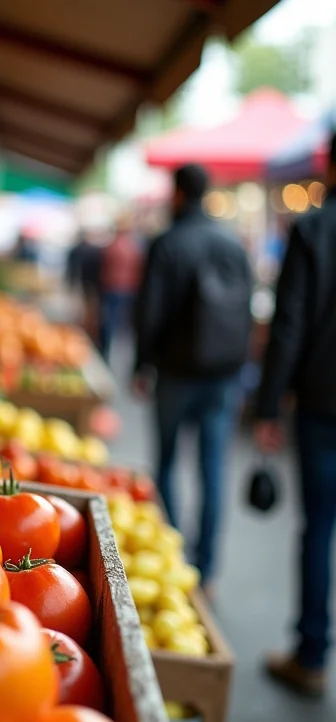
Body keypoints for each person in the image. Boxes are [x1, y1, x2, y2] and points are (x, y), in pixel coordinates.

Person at [133, 164, 253, 594]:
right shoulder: (232, 242)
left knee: (165, 460)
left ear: (178, 193)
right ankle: (206, 569)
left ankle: (169, 555)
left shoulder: (168, 243)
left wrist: (140, 364)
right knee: (212, 466)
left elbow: (150, 310)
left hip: (176, 371)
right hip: (223, 373)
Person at [254, 133, 336, 696]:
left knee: (319, 529)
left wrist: (268, 406)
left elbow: (288, 328)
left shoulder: (312, 230)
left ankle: (311, 655)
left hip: (322, 404)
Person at [98, 214, 144, 361]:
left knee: (110, 321)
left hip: (114, 288)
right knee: (122, 324)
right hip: (126, 289)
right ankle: (116, 350)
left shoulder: (112, 246)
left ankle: (107, 350)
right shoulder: (133, 247)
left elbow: (104, 269)